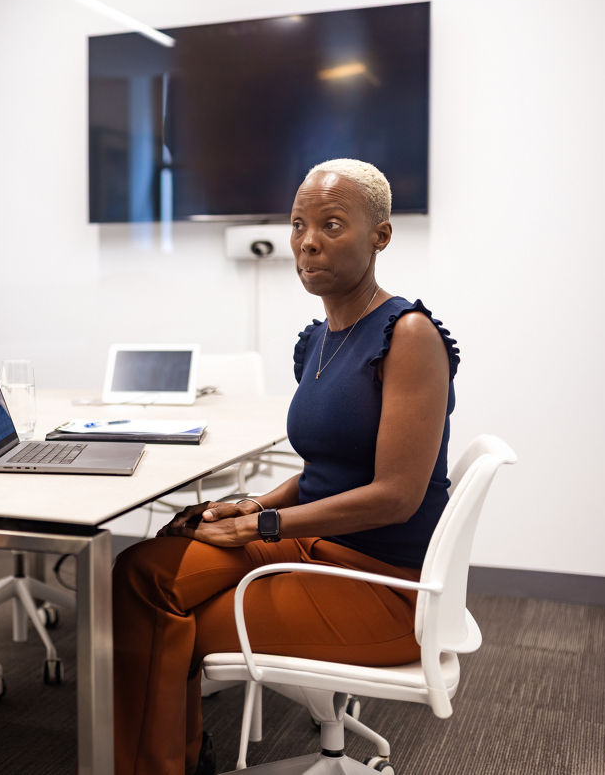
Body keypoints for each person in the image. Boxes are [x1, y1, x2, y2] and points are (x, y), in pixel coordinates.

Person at [112, 158, 459, 775]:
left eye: (331, 224)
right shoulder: (320, 337)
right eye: (299, 224)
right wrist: (255, 505)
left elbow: (395, 497)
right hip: (311, 546)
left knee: (174, 621)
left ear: (380, 235)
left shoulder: (409, 336)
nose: (308, 241)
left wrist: (259, 529)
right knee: (141, 571)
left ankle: (168, 762)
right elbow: (326, 469)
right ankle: (180, 757)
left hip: (383, 587)